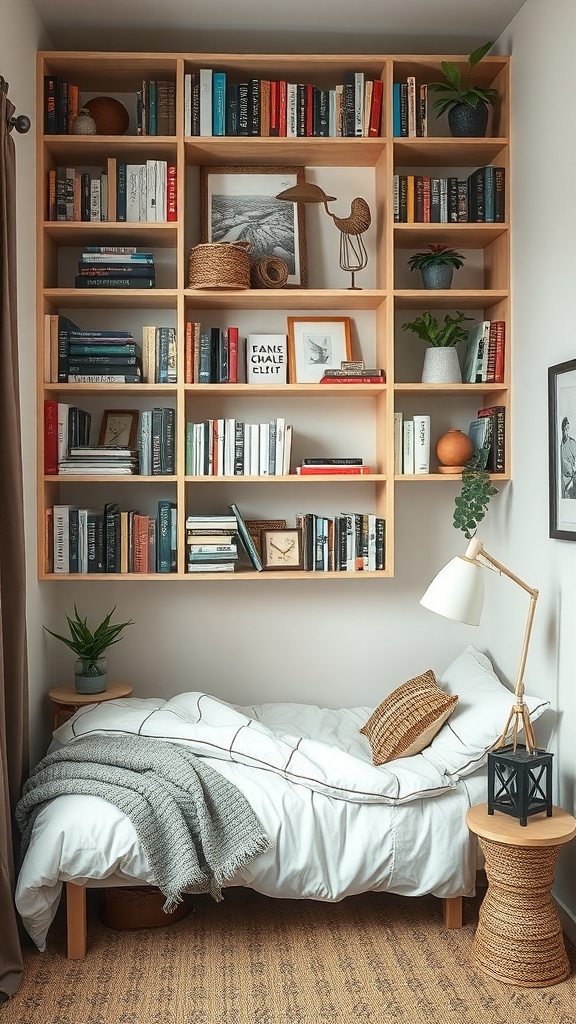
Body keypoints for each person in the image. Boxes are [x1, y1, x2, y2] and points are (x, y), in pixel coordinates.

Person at [560, 416, 576, 498]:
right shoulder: (561, 445)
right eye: (564, 429)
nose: (566, 431)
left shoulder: (572, 443)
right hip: (565, 478)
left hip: (572, 477)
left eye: (567, 429)